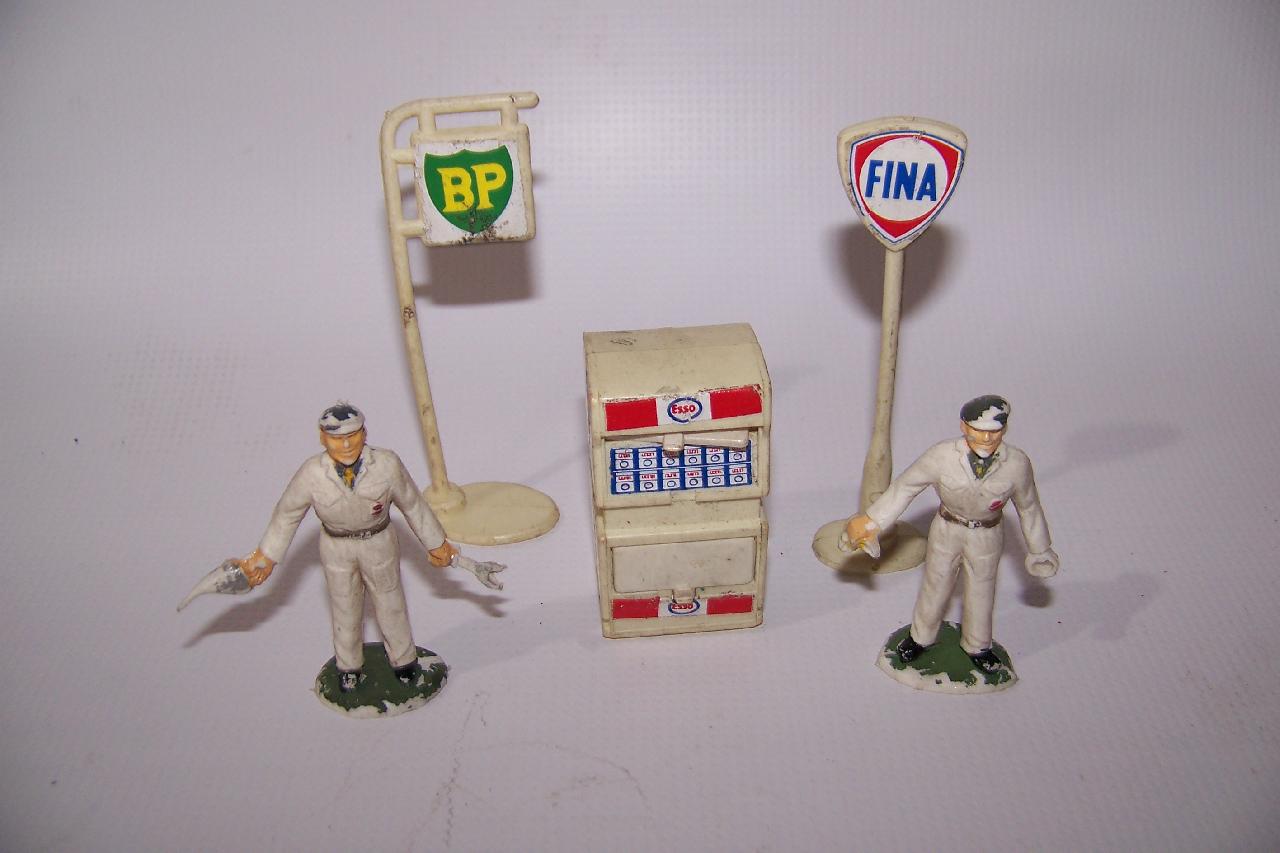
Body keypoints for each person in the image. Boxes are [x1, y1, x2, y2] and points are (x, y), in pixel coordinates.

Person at [237, 402, 461, 693]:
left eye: (352, 435)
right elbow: (287, 514)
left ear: (364, 433)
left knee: (390, 603)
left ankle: (404, 661)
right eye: (336, 438)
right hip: (336, 548)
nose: (345, 444)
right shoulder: (311, 474)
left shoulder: (387, 465)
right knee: (344, 607)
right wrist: (266, 556)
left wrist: (436, 543)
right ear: (322, 438)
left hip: (378, 543)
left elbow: (413, 504)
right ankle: (349, 667)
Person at [844, 395, 1058, 671]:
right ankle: (920, 638)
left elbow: (1029, 507)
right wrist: (872, 521)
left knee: (982, 590)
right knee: (936, 583)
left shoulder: (1016, 464)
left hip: (986, 535)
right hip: (947, 529)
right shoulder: (942, 456)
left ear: (1004, 429)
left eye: (994, 431)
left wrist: (1040, 549)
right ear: (963, 426)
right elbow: (906, 487)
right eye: (978, 430)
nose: (986, 438)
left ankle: (978, 646)